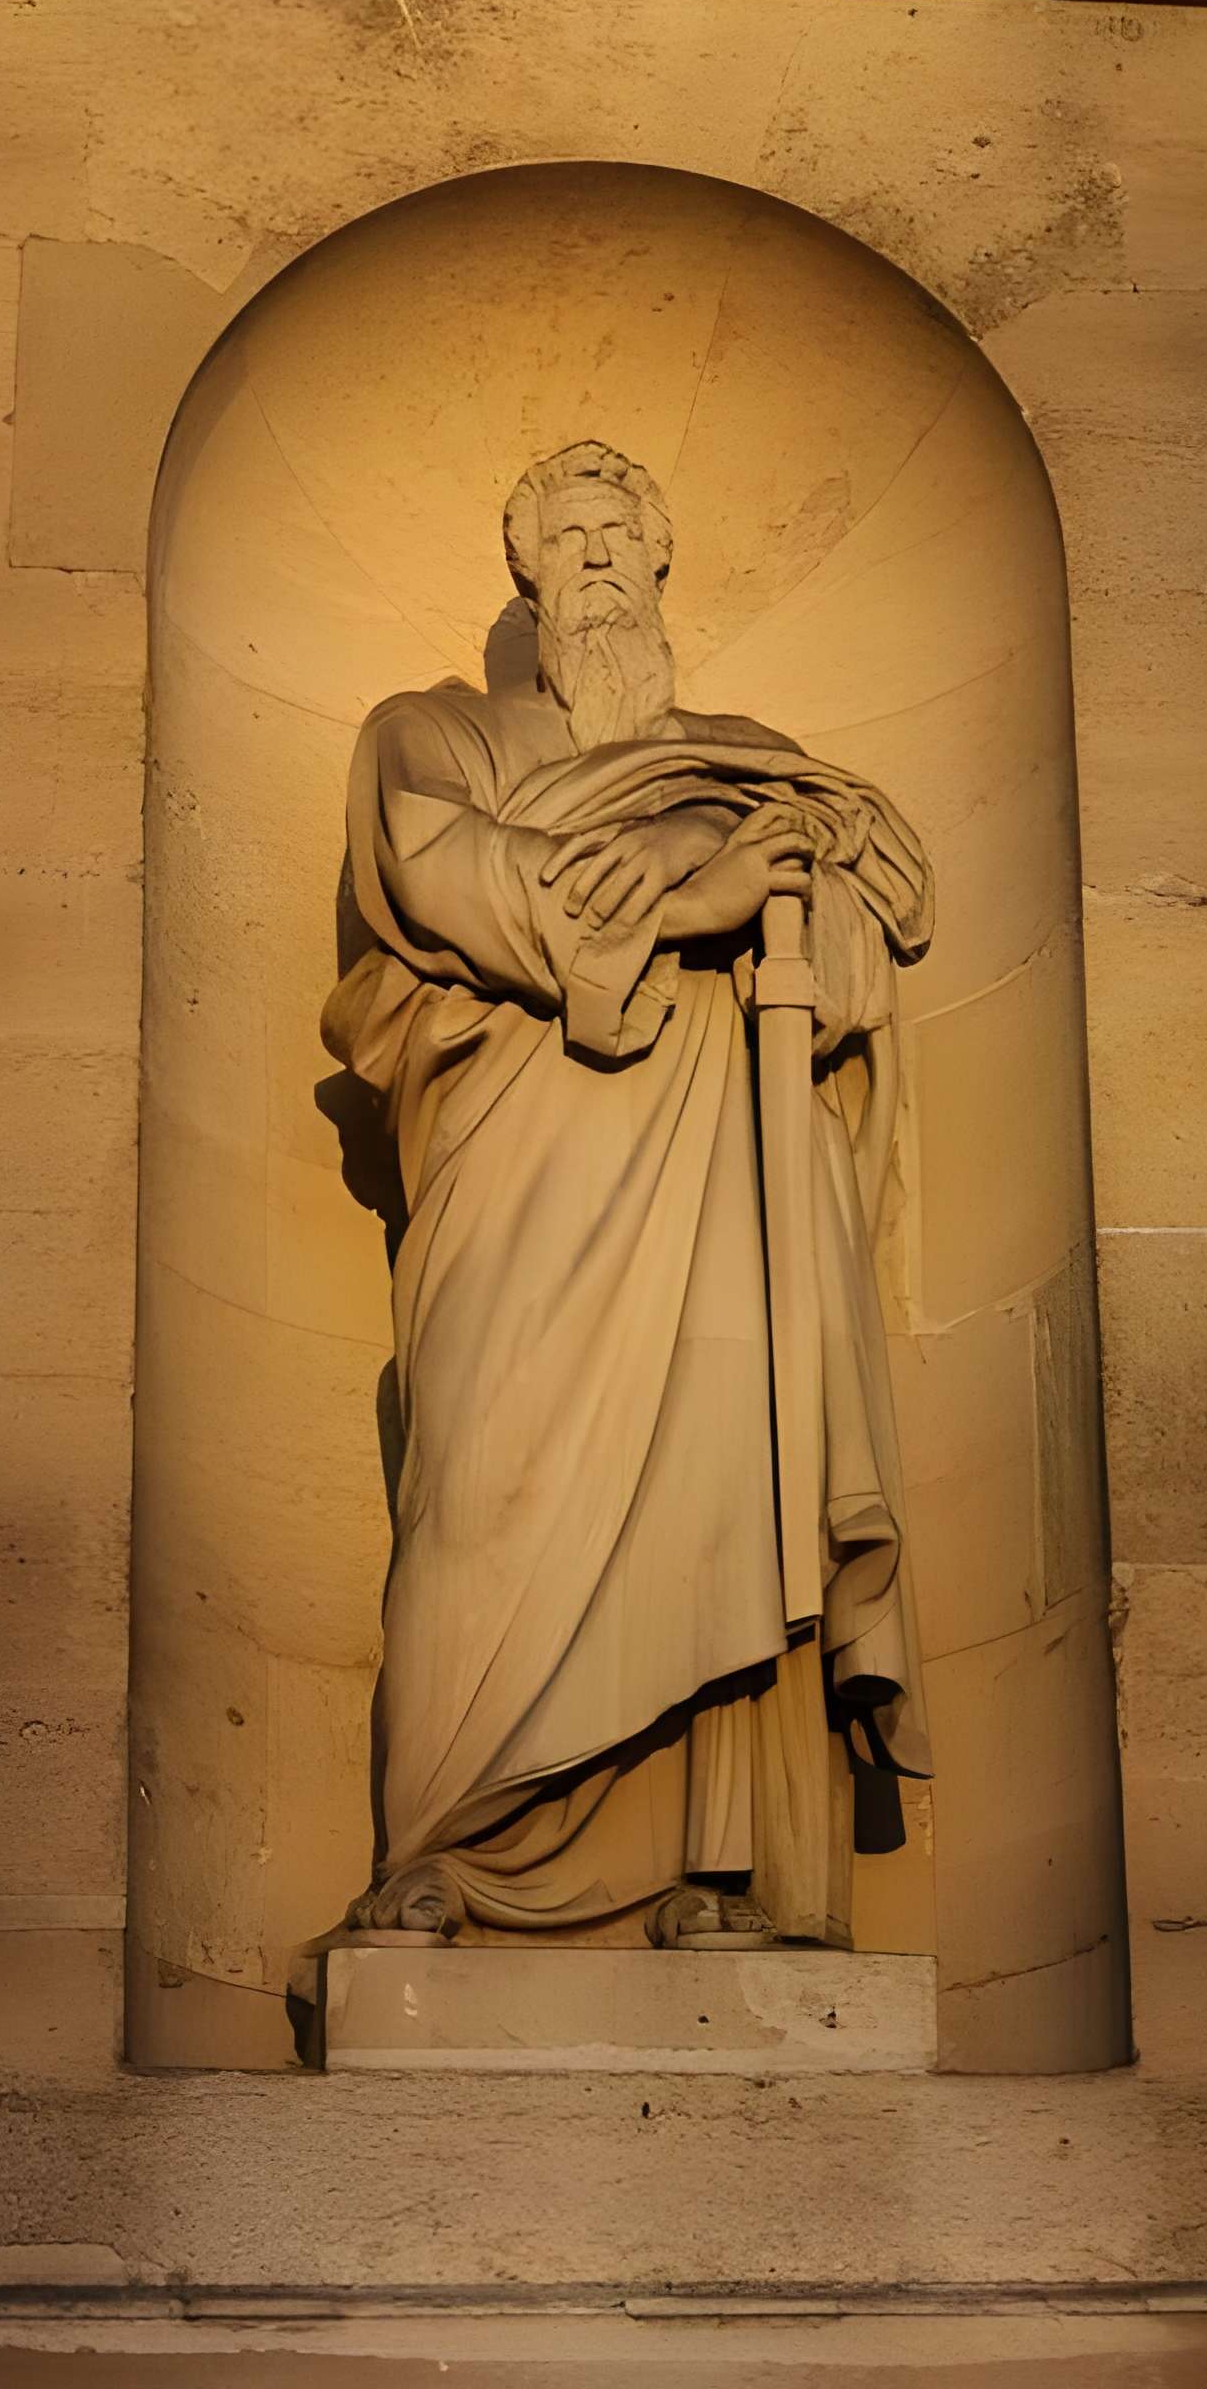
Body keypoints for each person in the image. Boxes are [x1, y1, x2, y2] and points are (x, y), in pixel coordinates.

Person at [322, 440, 933, 1948]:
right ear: (525, 575)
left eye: (619, 530)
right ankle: (443, 1846)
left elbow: (862, 938)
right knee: (485, 1492)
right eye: (563, 534)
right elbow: (433, 870)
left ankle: (709, 1872)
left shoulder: (750, 765)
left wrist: (728, 853)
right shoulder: (433, 732)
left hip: (716, 1192)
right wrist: (688, 892)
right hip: (516, 1179)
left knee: (721, 1487)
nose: (594, 554)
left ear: (662, 562)